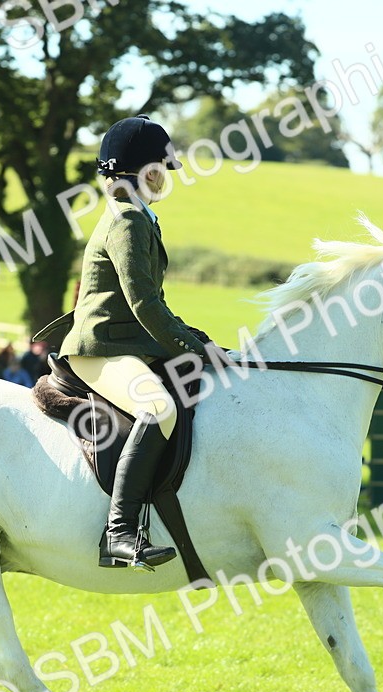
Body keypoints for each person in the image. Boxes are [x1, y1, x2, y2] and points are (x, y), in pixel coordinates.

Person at [34, 114, 232, 571]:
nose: (167, 177)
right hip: (99, 349)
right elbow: (144, 305)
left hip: (123, 344)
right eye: (162, 168)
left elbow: (154, 304)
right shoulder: (128, 220)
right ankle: (119, 533)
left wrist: (198, 339)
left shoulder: (137, 215)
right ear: (143, 172)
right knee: (159, 407)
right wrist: (195, 350)